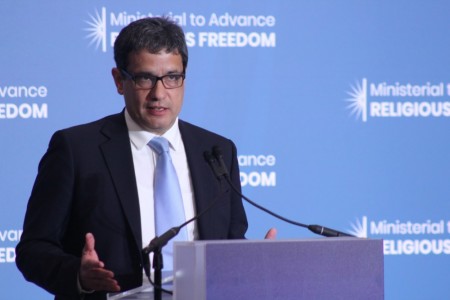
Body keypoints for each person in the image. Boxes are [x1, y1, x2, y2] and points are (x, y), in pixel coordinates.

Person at [16, 17, 276, 300]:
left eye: (172, 78)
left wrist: (253, 262)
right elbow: (34, 249)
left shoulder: (217, 150)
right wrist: (79, 275)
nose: (159, 94)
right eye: (144, 78)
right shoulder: (77, 149)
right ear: (119, 80)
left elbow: (228, 244)